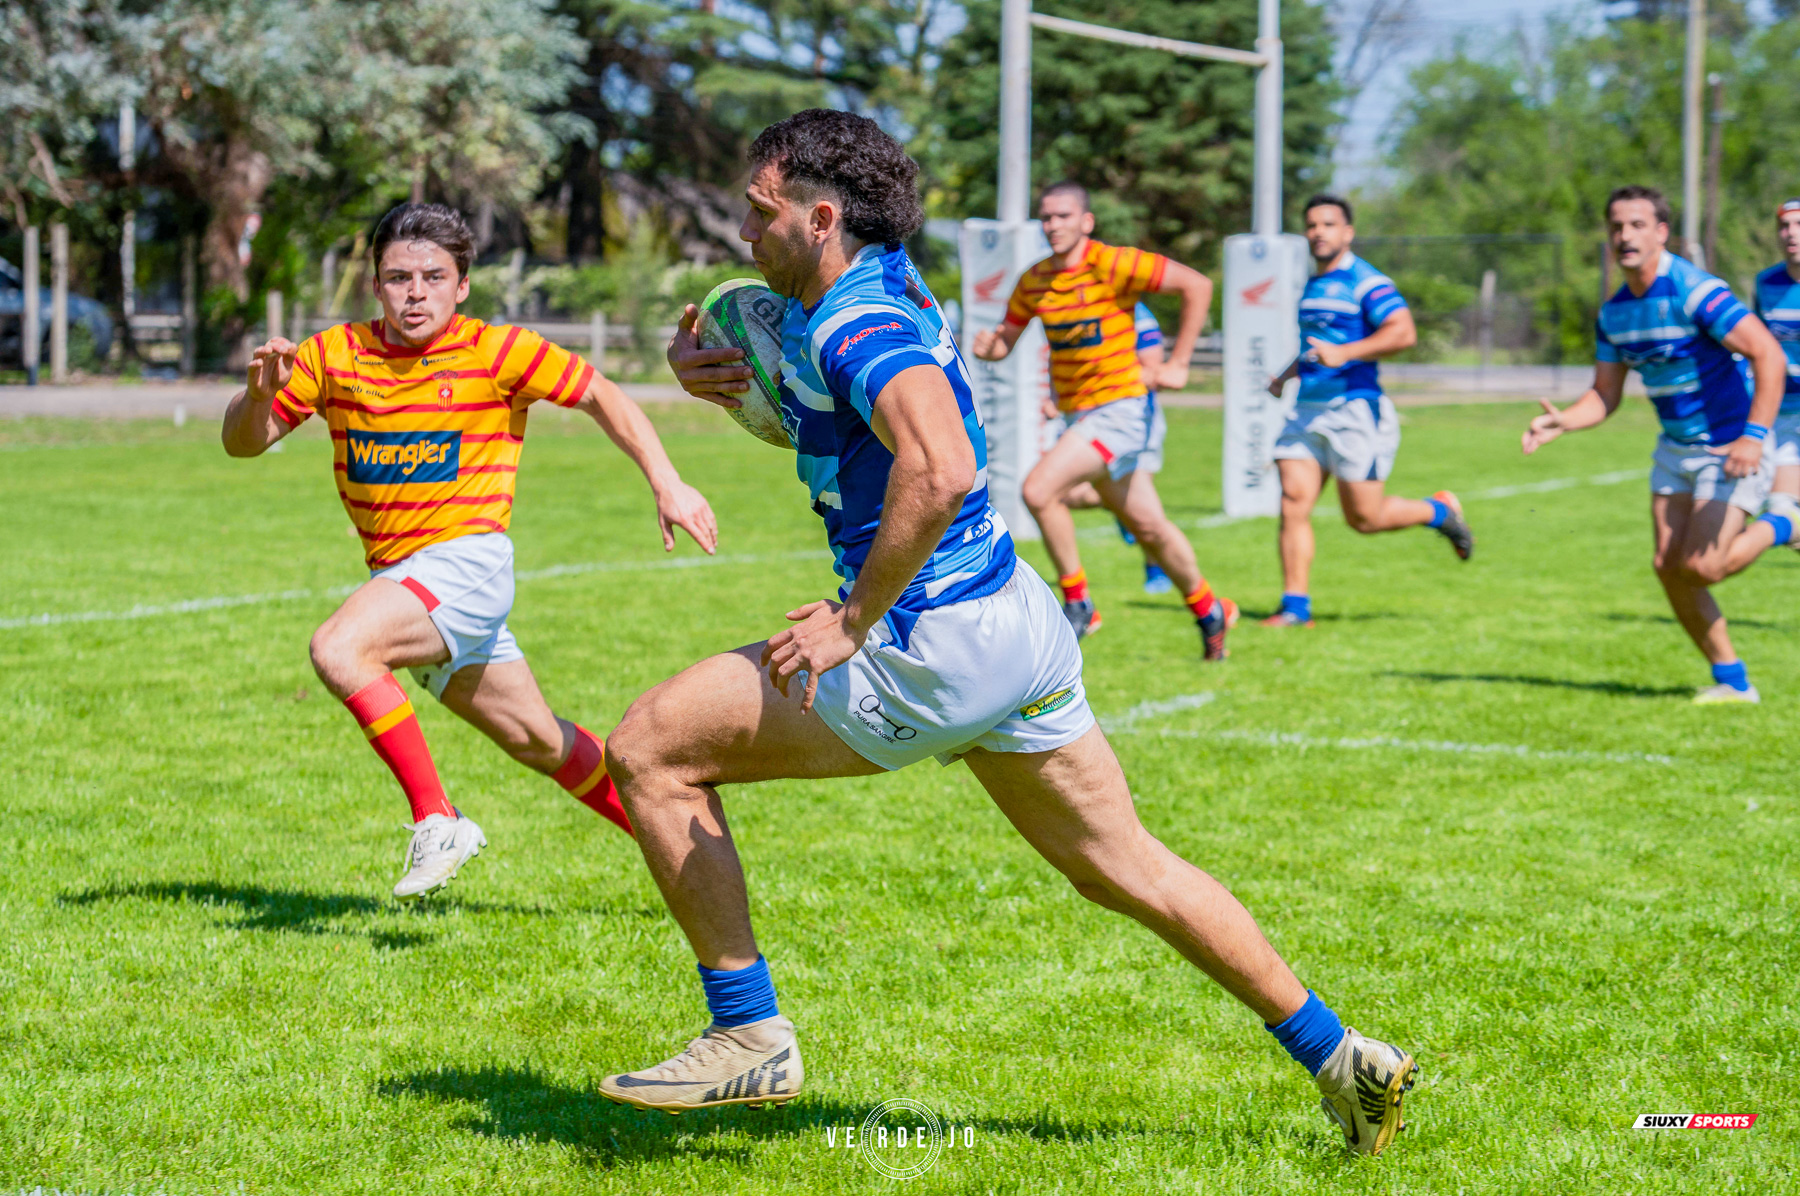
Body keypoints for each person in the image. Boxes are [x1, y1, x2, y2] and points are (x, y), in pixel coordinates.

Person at [596, 109, 1419, 1158]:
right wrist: (727, 386)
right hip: (1012, 618)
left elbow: (941, 467)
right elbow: (858, 428)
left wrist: (853, 619)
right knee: (1122, 866)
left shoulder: (857, 325)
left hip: (928, 641)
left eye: (760, 213)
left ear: (821, 217)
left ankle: (747, 1031)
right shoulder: (887, 280)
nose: (744, 233)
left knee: (650, 748)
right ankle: (1344, 1057)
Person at [220, 203, 718, 897]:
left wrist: (667, 481)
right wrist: (255, 399)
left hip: (467, 564)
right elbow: (243, 444)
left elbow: (600, 394)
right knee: (540, 742)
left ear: (462, 286)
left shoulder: (497, 350)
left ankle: (438, 819)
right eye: (399, 278)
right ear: (375, 285)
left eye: (433, 277)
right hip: (403, 580)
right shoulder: (333, 355)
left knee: (339, 648)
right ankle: (694, 858)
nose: (415, 293)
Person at [1523, 185, 1789, 703]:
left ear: (1662, 232)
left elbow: (1768, 354)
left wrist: (1753, 437)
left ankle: (1785, 522)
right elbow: (1605, 394)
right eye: (1616, 226)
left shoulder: (1695, 291)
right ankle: (1733, 682)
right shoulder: (1614, 313)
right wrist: (1563, 422)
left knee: (1704, 567)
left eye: (1637, 225)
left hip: (1728, 446)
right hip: (1674, 449)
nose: (1625, 235)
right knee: (1668, 568)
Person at [970, 183, 1236, 659]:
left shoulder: (1115, 263)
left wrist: (1178, 363)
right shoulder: (1035, 280)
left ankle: (1079, 603)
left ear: (1086, 221)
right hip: (1080, 416)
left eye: (1064, 216)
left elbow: (1197, 285)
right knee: (1149, 528)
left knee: (1039, 490)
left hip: (1121, 410)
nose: (1053, 225)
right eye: (1046, 217)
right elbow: (1005, 341)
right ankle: (1209, 608)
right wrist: (989, 347)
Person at [1262, 195, 1474, 629]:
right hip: (1306, 410)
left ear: (1348, 232)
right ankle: (1295, 608)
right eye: (1311, 225)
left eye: (1328, 224)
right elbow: (1316, 348)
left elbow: (1403, 332)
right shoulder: (1313, 284)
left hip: (1354, 409)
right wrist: (1285, 375)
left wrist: (1346, 352)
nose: (1318, 232)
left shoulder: (1367, 281)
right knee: (1292, 503)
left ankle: (1438, 511)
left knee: (1364, 518)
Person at [1061, 302, 1177, 594]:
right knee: (1066, 494)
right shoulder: (1080, 308)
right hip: (1089, 419)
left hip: (1133, 422)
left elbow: (1151, 369)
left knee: (1141, 498)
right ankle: (1121, 508)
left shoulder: (1138, 313)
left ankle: (1156, 569)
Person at [1729, 197, 1800, 567]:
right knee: (1782, 508)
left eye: (1799, 225)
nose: (1791, 234)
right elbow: (1755, 347)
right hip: (1784, 413)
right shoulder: (1766, 283)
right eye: (1784, 226)